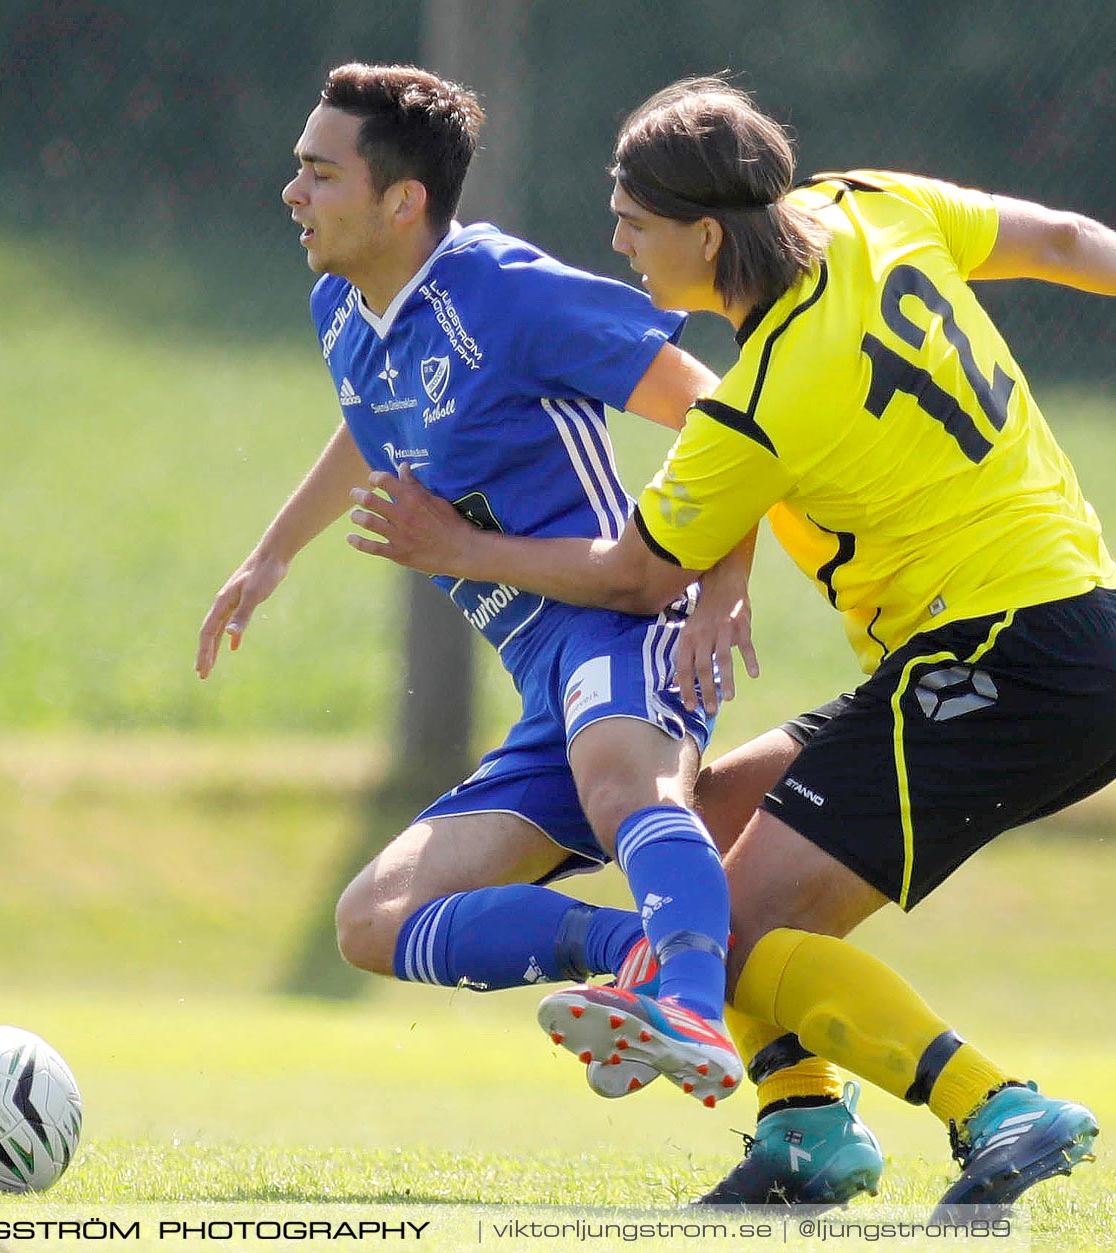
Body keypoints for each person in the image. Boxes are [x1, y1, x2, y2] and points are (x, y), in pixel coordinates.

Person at [347, 74, 1116, 1211]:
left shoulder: (762, 397)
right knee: (705, 834)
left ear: (703, 231)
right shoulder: (865, 204)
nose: (618, 241)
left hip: (1009, 660)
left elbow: (636, 573)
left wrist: (457, 547)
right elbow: (1056, 234)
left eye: (633, 221)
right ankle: (806, 1126)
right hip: (1046, 636)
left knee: (728, 919)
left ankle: (995, 1104)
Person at [196, 63, 756, 1108]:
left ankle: (692, 995)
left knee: (624, 780)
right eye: (297, 169)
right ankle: (644, 952)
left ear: (403, 201)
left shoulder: (506, 290)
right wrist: (271, 552)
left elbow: (723, 412)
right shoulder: (342, 307)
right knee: (372, 918)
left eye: (320, 173)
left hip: (625, 628)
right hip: (550, 698)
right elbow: (371, 421)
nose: (294, 193)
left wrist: (724, 579)